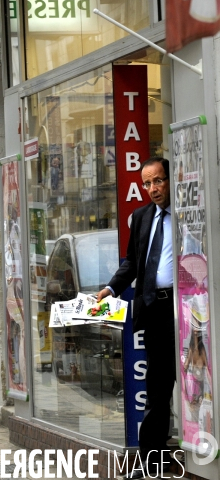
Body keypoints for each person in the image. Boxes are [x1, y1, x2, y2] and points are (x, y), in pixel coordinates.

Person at [97, 156, 175, 479]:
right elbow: (131, 263)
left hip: (184, 308)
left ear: (170, 180)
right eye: (147, 183)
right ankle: (151, 461)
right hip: (153, 310)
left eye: (158, 181)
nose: (153, 189)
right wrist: (110, 289)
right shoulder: (142, 217)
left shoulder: (184, 214)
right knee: (156, 387)